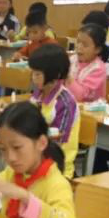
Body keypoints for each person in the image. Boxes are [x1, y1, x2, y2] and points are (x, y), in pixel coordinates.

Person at [29, 44, 80, 179]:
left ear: (55, 75)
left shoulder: (65, 102)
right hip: (35, 159)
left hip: (58, 168)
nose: (33, 78)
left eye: (38, 74)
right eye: (33, 72)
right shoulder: (38, 94)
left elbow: (57, 142)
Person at [67, 22, 109, 103]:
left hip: (92, 109)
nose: (79, 47)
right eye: (78, 42)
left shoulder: (98, 68)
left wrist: (66, 76)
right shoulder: (72, 60)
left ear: (97, 49)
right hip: (71, 105)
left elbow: (80, 96)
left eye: (85, 45)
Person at [82, 10, 109, 82]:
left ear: (103, 31)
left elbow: (106, 78)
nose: (84, 34)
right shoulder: (84, 49)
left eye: (88, 31)